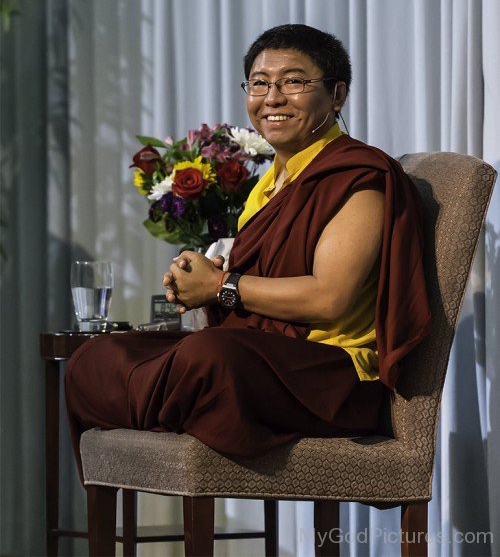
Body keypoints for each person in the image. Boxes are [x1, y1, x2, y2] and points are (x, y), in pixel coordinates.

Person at [65, 24, 431, 478]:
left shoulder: (357, 178)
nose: (273, 98)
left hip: (330, 379)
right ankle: (177, 403)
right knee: (95, 358)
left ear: (337, 95)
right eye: (259, 83)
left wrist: (221, 286)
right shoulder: (269, 184)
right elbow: (264, 273)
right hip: (263, 360)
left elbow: (328, 297)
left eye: (294, 82)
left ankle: (169, 402)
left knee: (210, 358)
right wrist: (205, 280)